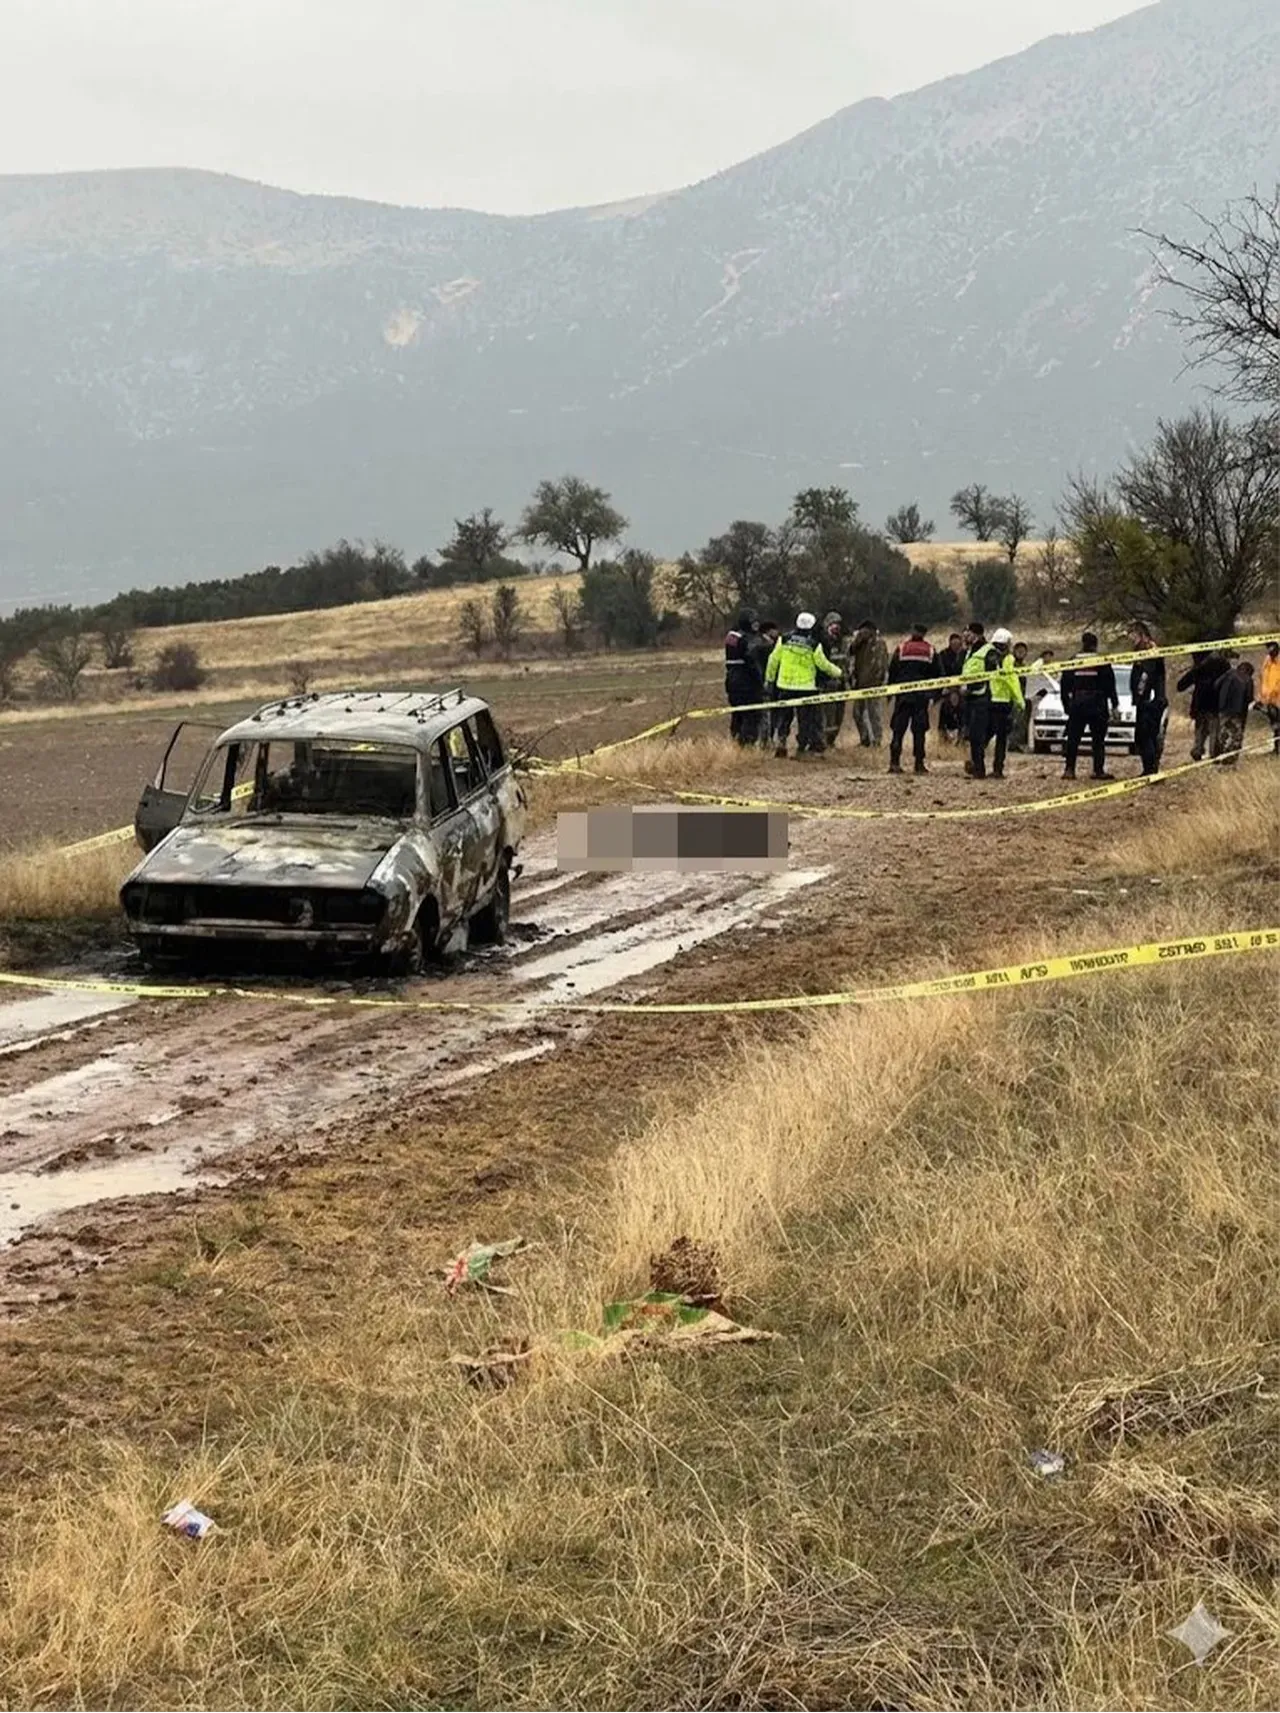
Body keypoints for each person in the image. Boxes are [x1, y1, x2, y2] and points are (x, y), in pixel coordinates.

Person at [765, 611, 843, 757]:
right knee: (805, 719)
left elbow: (773, 660)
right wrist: (838, 672)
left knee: (784, 717)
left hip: (785, 685)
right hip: (806, 687)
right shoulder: (814, 644)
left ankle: (781, 742)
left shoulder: (784, 639)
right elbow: (823, 664)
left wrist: (769, 680)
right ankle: (802, 747)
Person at [1060, 631, 1119, 780]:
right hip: (1098, 704)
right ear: (1095, 645)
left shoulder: (1073, 660)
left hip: (1078, 703)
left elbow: (1064, 685)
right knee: (1098, 740)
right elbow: (1110, 684)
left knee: (1073, 738)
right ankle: (1098, 770)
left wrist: (1066, 704)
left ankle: (1069, 770)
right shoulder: (1101, 661)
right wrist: (1114, 704)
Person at [886, 625, 940, 774]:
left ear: (912, 633)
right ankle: (919, 764)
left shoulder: (901, 648)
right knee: (919, 732)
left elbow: (892, 671)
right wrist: (934, 696)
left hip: (903, 697)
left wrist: (890, 693)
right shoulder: (930, 650)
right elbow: (938, 675)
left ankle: (894, 762)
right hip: (921, 698)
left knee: (898, 730)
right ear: (924, 634)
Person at [960, 621, 1002, 779]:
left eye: (968, 633)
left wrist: (969, 687)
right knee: (973, 736)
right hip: (971, 698)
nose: (965, 636)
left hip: (983, 697)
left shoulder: (989, 651)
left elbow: (991, 675)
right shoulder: (970, 651)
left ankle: (979, 769)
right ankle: (976, 766)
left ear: (976, 634)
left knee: (978, 735)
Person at [1129, 621, 1167, 776]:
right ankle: (1149, 769)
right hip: (1147, 699)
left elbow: (1146, 675)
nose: (1131, 639)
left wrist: (1140, 693)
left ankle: (1151, 770)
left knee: (1147, 736)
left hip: (1149, 700)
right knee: (1144, 736)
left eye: (1132, 635)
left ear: (1140, 634)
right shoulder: (1143, 649)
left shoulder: (1149, 649)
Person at [1176, 647, 1228, 761]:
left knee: (1200, 729)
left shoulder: (1199, 667)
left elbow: (1181, 685)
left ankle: (1198, 749)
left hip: (1200, 703)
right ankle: (1214, 753)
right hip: (1216, 704)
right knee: (1214, 729)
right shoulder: (1223, 664)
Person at [986, 626, 1025, 779]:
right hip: (1003, 703)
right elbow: (1012, 681)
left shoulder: (988, 655)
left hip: (989, 700)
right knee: (1001, 738)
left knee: (986, 734)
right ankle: (997, 769)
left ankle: (977, 764)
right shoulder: (1008, 659)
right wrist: (1020, 701)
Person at [722, 610, 763, 745]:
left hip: (732, 681)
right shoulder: (747, 640)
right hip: (747, 683)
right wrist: (760, 682)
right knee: (752, 715)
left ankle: (735, 742)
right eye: (754, 623)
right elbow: (752, 662)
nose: (756, 626)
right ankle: (747, 745)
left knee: (737, 714)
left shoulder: (731, 636)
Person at [849, 619, 889, 747]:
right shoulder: (860, 644)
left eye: (865, 631)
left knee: (874, 713)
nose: (862, 633)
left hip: (873, 683)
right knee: (857, 713)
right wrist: (858, 640)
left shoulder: (879, 644)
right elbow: (850, 652)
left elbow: (881, 664)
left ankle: (877, 740)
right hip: (860, 683)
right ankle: (864, 738)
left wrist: (879, 680)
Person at [750, 620, 782, 748]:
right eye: (775, 630)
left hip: (773, 683)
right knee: (766, 714)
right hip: (765, 682)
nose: (777, 633)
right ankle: (765, 741)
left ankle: (769, 738)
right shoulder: (763, 645)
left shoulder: (767, 644)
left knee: (773, 713)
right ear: (768, 631)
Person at [819, 612, 848, 748]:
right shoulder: (823, 642)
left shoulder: (843, 642)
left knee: (839, 714)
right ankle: (824, 740)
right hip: (827, 684)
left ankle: (832, 739)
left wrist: (847, 678)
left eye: (838, 624)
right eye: (832, 624)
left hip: (841, 684)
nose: (836, 627)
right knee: (827, 713)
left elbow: (848, 661)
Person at [1216, 660, 1253, 763]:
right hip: (1238, 713)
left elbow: (1216, 685)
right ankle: (1231, 760)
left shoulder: (1228, 674)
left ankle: (1221, 756)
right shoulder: (1248, 679)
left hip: (1223, 710)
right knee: (1236, 736)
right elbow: (1249, 697)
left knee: (1223, 734)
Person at [1256, 640, 1280, 755]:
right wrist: (1261, 697)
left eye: (1271, 647)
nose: (1269, 650)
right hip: (1270, 700)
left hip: (1277, 699)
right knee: (1275, 724)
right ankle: (1277, 749)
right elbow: (1262, 679)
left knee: (1277, 724)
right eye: (1268, 648)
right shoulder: (1267, 661)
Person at [1008, 640, 1032, 753]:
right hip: (1011, 697)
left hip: (1022, 696)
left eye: (1023, 651)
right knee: (1014, 721)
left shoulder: (1024, 666)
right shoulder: (1010, 664)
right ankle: (1011, 743)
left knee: (1021, 721)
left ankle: (1016, 743)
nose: (1021, 653)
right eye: (1019, 651)